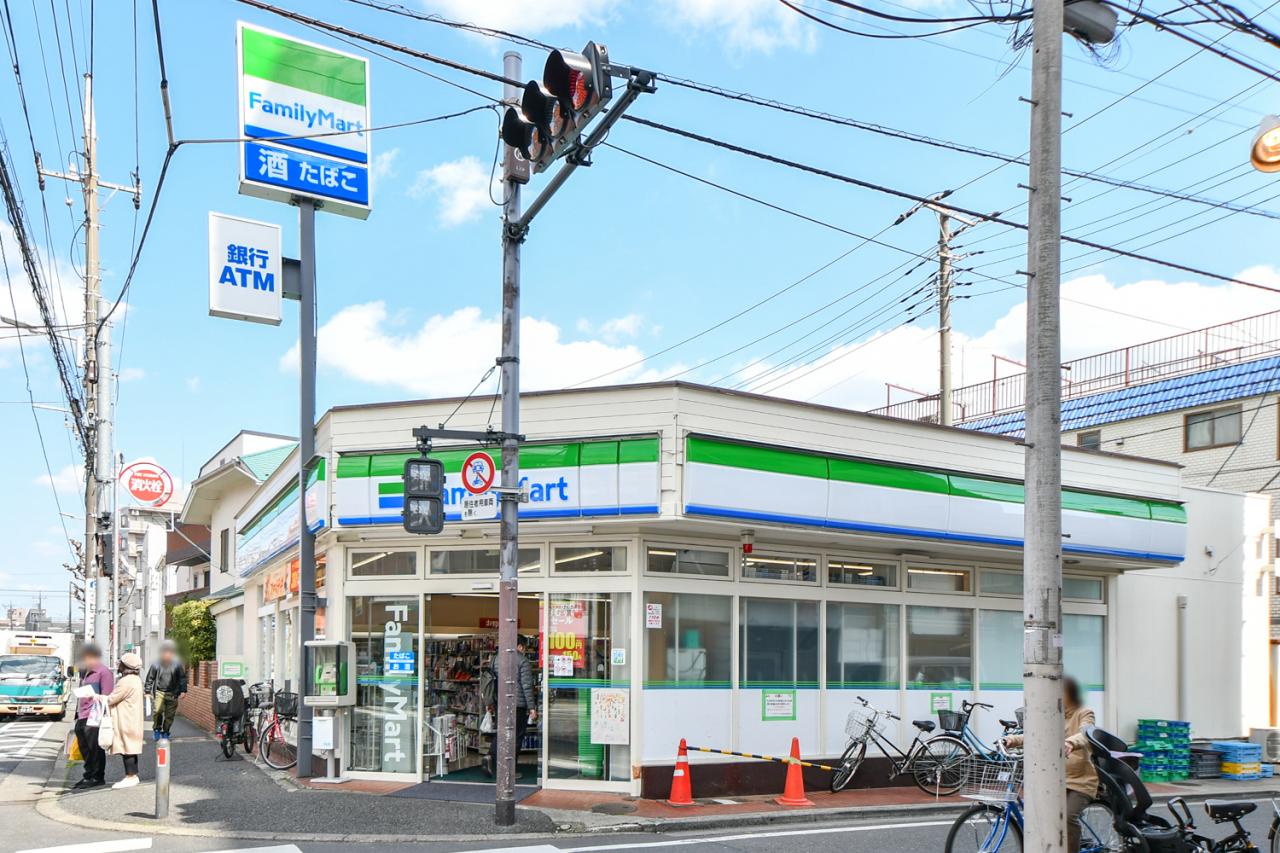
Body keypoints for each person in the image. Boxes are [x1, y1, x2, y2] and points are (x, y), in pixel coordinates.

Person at [1003, 676, 1098, 851]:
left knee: (1068, 817)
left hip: (1081, 781)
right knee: (1045, 816)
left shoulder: (1084, 713)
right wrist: (1011, 739)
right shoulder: (1054, 714)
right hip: (1057, 779)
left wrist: (1071, 742)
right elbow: (1036, 734)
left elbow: (1087, 733)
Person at [483, 639, 538, 778]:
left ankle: (490, 756)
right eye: (524, 647)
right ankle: (510, 771)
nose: (524, 650)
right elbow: (526, 686)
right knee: (517, 737)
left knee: (502, 733)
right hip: (518, 705)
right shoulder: (523, 661)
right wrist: (532, 707)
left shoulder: (496, 658)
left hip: (500, 702)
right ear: (519, 646)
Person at [71, 643, 113, 790]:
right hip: (82, 714)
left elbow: (108, 696)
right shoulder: (84, 672)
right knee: (84, 748)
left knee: (94, 748)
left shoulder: (103, 672)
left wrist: (95, 695)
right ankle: (88, 774)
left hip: (95, 715)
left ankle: (97, 776)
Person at [105, 652, 145, 789]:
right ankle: (132, 775)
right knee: (130, 747)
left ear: (125, 666)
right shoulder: (136, 679)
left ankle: (131, 776)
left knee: (127, 747)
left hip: (126, 719)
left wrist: (97, 697)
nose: (118, 665)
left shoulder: (126, 681)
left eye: (120, 663)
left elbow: (111, 699)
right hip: (132, 717)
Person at [144, 640, 187, 738]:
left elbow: (182, 678)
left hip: (172, 693)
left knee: (170, 715)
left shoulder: (177, 664)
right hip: (159, 692)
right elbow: (150, 677)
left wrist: (183, 690)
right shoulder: (156, 664)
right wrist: (147, 691)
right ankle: (157, 729)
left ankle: (166, 731)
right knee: (157, 712)